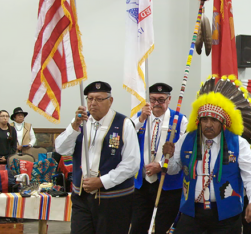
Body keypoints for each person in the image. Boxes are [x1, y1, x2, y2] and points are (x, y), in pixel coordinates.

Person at [162, 76, 251, 234]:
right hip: (191, 212)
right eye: (204, 119)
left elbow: (250, 176)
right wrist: (169, 157)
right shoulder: (187, 139)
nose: (208, 124)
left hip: (226, 215)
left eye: (214, 120)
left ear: (223, 122)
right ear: (198, 121)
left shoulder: (238, 143)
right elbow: (173, 170)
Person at [55, 81, 140, 234]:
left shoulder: (124, 124)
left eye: (99, 99)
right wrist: (75, 126)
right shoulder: (80, 121)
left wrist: (102, 181)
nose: (93, 103)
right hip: (82, 197)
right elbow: (61, 148)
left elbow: (132, 163)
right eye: (90, 98)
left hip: (113, 199)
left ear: (110, 101)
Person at [130, 83, 188, 234]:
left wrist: (162, 165)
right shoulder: (139, 117)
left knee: (162, 228)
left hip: (167, 185)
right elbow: (126, 137)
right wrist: (141, 119)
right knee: (138, 226)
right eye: (153, 99)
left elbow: (182, 151)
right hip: (142, 184)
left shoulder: (180, 120)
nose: (156, 104)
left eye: (161, 100)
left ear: (169, 100)